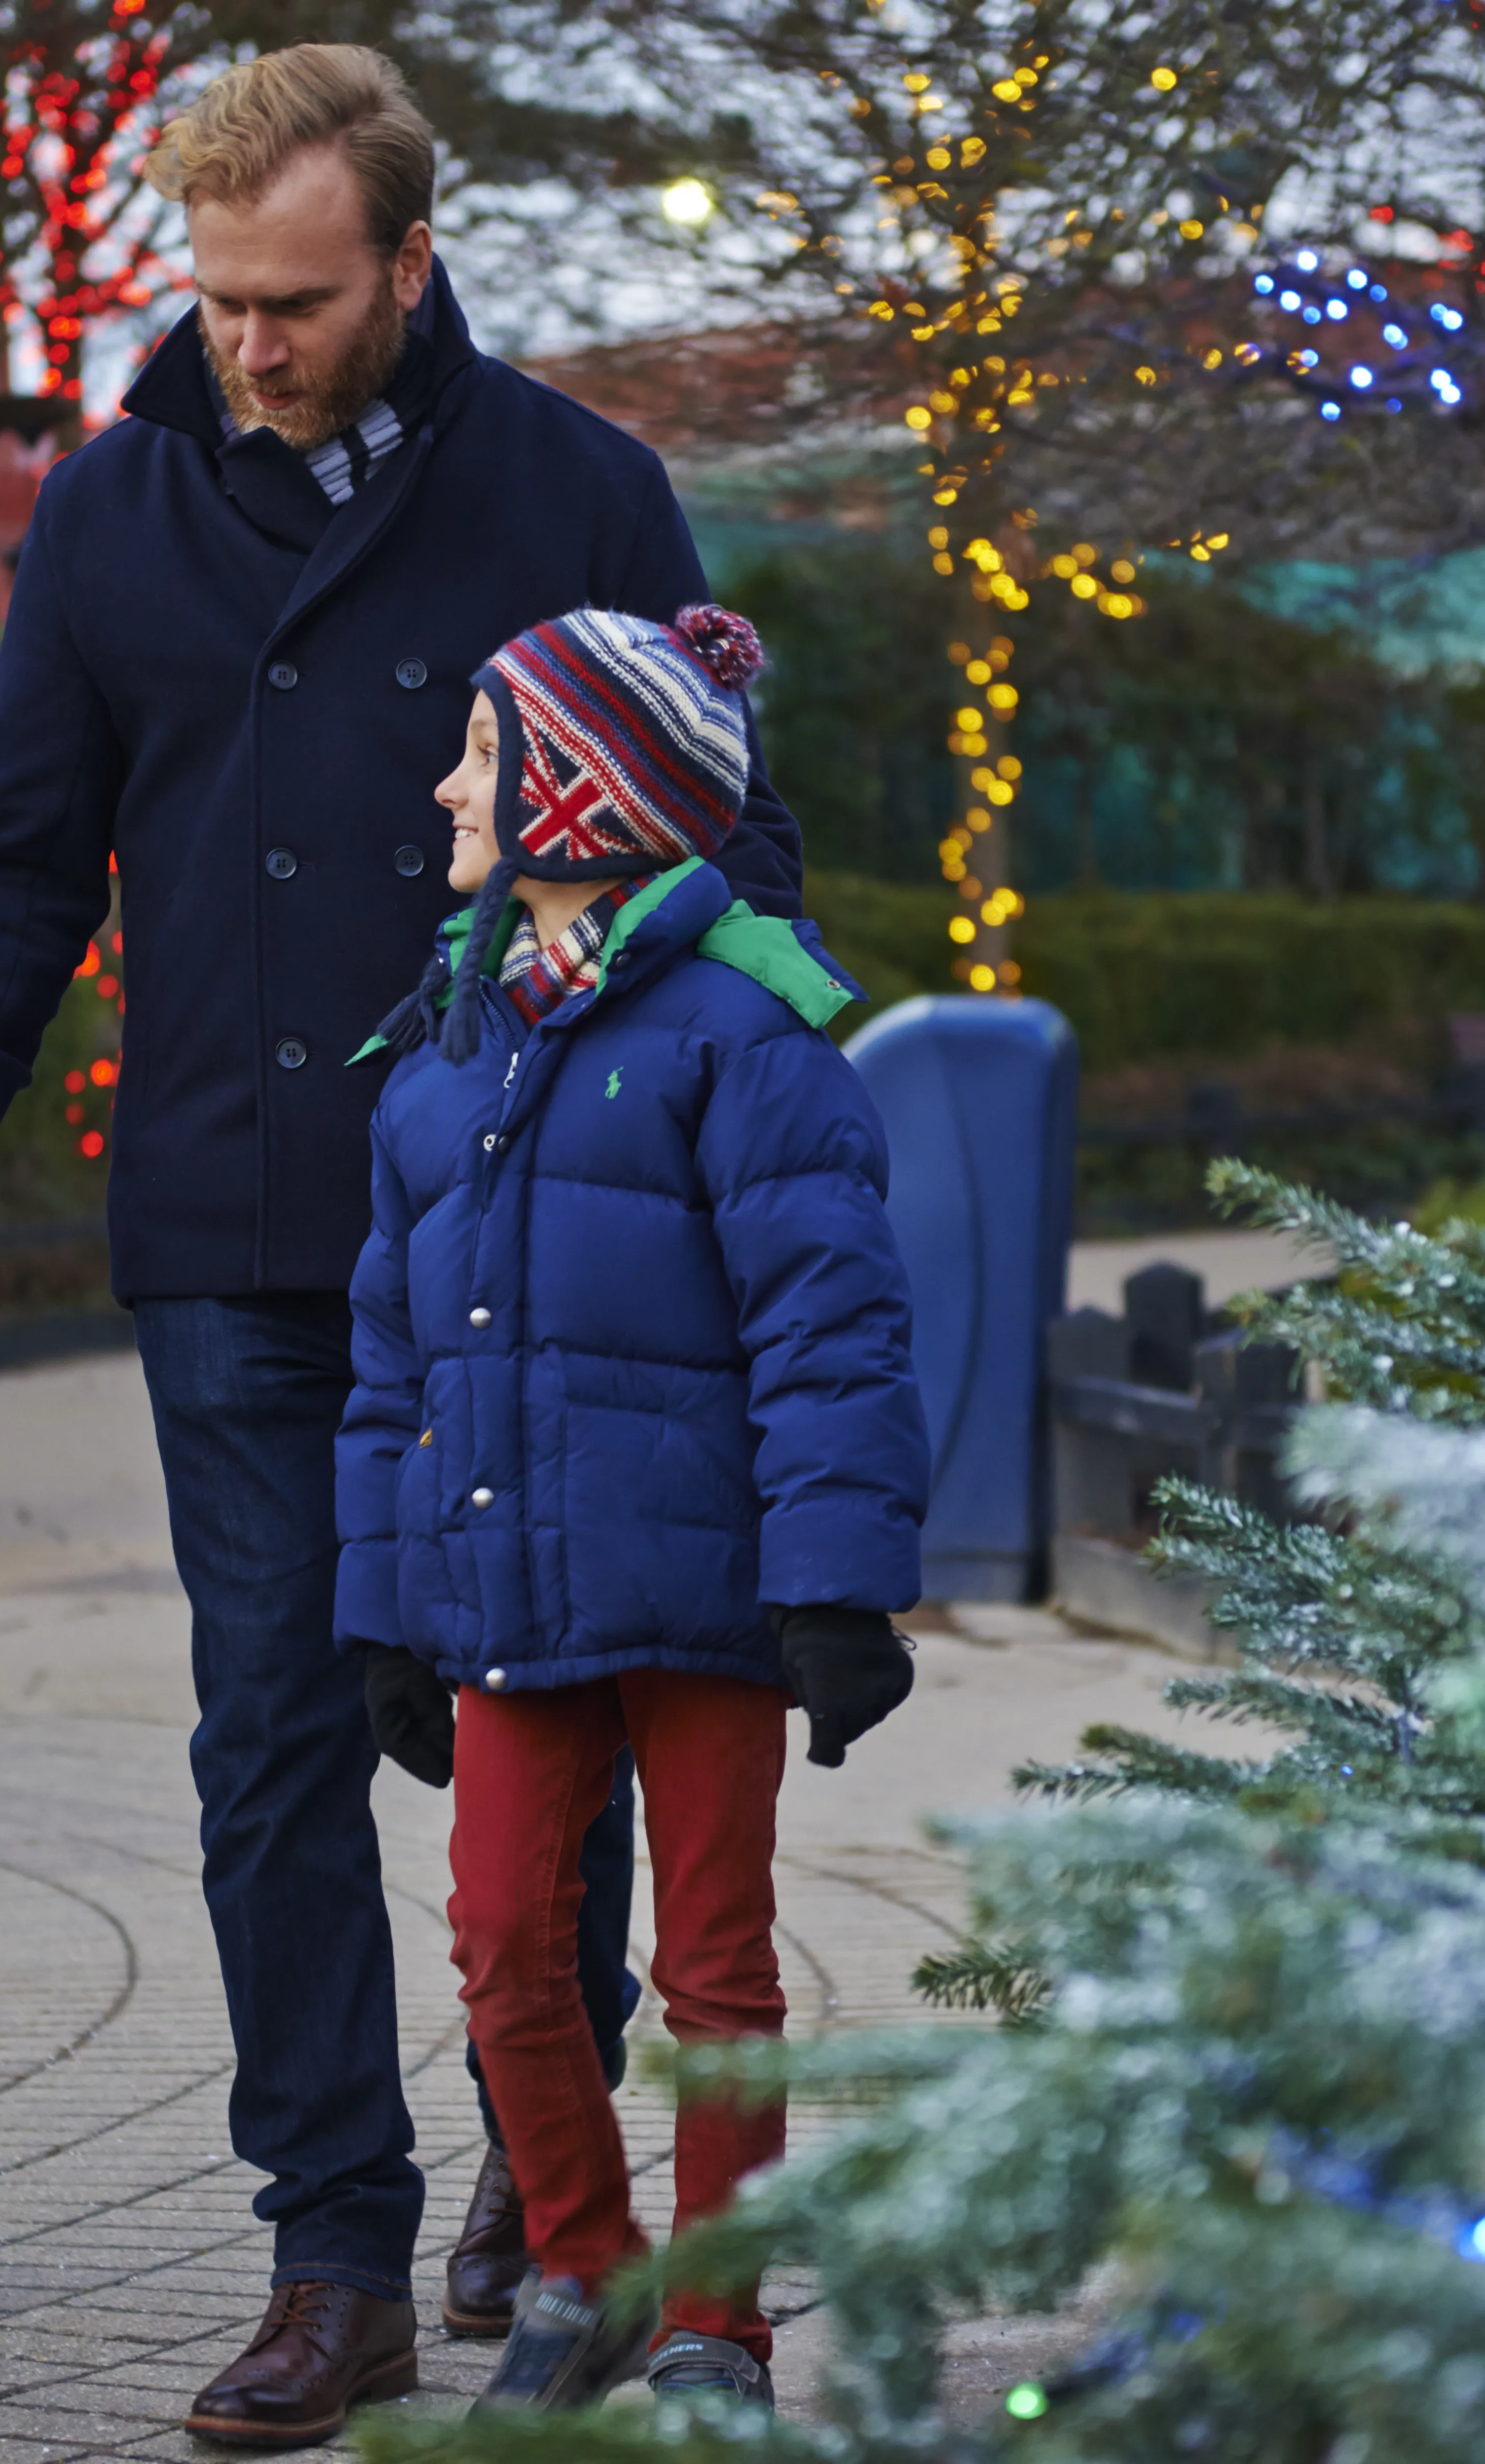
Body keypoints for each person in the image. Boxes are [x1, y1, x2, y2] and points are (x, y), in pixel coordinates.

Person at [0, 46, 806, 2444]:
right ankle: (329, 2249)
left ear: (406, 263)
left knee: (540, 1712)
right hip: (240, 1228)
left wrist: (744, 1121)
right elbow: (17, 850)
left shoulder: (577, 486)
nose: (248, 343)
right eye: (220, 298)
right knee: (267, 1725)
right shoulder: (113, 503)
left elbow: (731, 851)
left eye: (295, 300)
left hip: (527, 1224)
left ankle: (541, 2170)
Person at [339, 603, 929, 2412]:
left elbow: (832, 1326)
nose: (448, 781)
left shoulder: (743, 1037)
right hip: (510, 1589)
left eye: (484, 751)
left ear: (581, 795)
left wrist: (837, 1582)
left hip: (711, 1594)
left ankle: (713, 2328)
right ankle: (585, 2272)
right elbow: (390, 1363)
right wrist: (381, 1608)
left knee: (714, 1966)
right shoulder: (443, 1059)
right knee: (508, 1937)